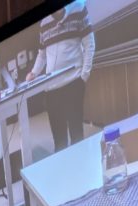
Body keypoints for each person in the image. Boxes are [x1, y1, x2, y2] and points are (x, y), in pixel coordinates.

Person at [27, 0, 95, 152]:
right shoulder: (44, 22)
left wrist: (84, 75)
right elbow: (42, 54)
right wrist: (34, 72)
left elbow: (89, 44)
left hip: (74, 83)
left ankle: (80, 165)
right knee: (59, 141)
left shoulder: (78, 8)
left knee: (77, 135)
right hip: (52, 89)